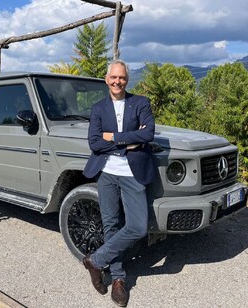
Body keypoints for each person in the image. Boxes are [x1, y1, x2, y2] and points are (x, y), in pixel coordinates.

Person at [82, 59, 157, 307]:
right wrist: (130, 141)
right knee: (111, 224)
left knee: (137, 226)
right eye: (113, 77)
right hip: (106, 172)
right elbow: (94, 143)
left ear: (127, 80)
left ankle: (95, 260)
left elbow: (148, 134)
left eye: (122, 78)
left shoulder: (140, 103)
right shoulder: (98, 108)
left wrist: (113, 137)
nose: (117, 81)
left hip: (132, 172)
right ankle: (118, 279)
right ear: (107, 79)